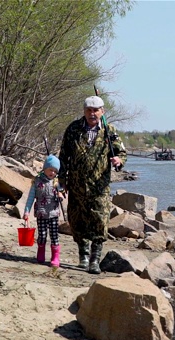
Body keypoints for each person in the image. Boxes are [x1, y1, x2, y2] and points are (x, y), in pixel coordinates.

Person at [57, 95, 127, 274]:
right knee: (77, 220)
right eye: (89, 110)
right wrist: (62, 181)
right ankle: (83, 257)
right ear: (84, 111)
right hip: (76, 185)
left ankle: (95, 261)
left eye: (96, 110)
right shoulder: (73, 129)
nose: (92, 114)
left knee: (99, 221)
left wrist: (119, 160)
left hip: (99, 186)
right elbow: (63, 156)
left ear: (102, 111)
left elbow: (122, 152)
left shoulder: (110, 131)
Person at [23, 155, 65, 267]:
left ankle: (55, 257)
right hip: (41, 213)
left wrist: (60, 194)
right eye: (50, 169)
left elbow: (62, 193)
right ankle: (40, 252)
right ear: (45, 168)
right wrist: (27, 211)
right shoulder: (37, 181)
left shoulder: (56, 182)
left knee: (54, 235)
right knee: (42, 235)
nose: (53, 173)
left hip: (53, 213)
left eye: (55, 171)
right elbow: (31, 198)